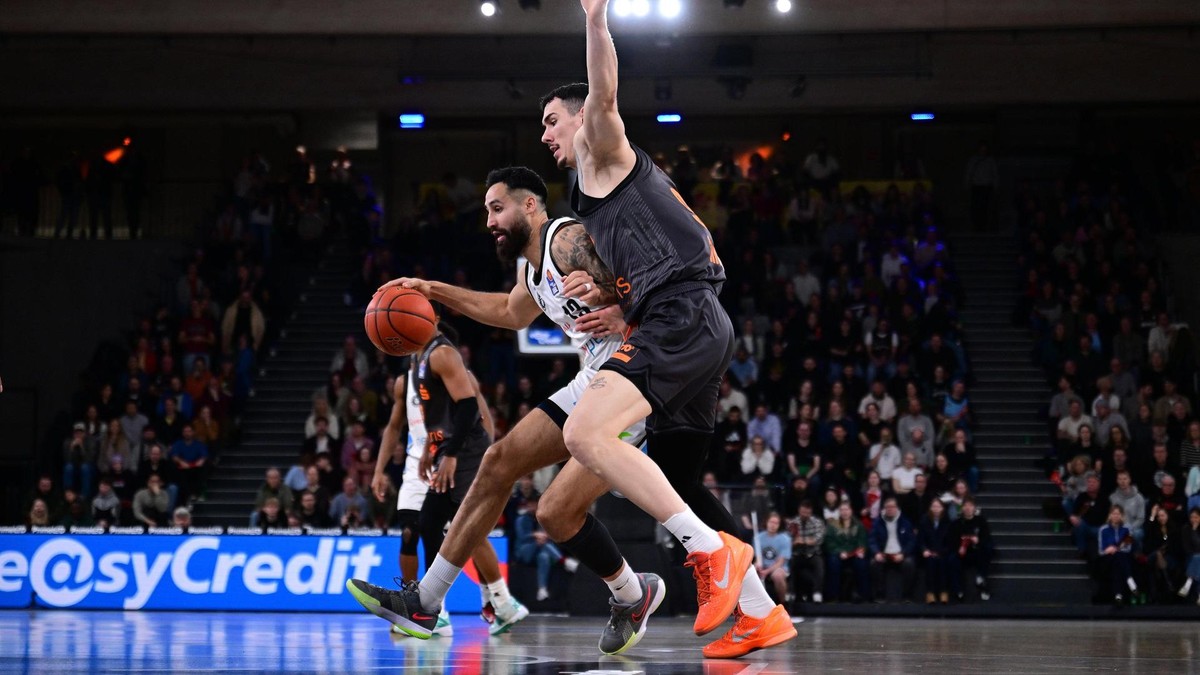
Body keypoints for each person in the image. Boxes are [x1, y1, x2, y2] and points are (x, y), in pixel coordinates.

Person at [354, 162, 787, 657]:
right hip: (595, 377)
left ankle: (428, 601)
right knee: (540, 499)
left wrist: (620, 307)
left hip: (632, 377)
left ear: (530, 205)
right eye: (487, 212)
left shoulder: (566, 240)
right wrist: (434, 291)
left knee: (646, 489)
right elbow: (509, 312)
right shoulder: (531, 268)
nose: (490, 221)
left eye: (498, 208)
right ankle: (631, 595)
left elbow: (644, 275)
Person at [349, 322, 528, 638]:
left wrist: (473, 459)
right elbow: (398, 426)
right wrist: (388, 466)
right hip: (425, 461)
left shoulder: (455, 372)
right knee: (417, 530)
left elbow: (479, 419)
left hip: (458, 456)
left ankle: (480, 603)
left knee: (466, 530)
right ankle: (431, 607)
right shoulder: (408, 379)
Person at [869, 497, 917, 602]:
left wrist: (903, 554)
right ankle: (879, 595)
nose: (890, 509)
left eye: (892, 507)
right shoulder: (877, 522)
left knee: (909, 564)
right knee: (874, 563)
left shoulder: (905, 522)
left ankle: (907, 596)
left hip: (900, 554)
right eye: (888, 507)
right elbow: (872, 540)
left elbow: (911, 541)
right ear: (884, 509)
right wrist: (877, 552)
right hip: (884, 553)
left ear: (897, 508)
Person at [824, 501, 870, 602]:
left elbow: (862, 541)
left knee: (861, 563)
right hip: (838, 554)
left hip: (854, 554)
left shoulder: (858, 525)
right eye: (842, 510)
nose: (844, 512)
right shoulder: (832, 526)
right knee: (833, 562)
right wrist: (839, 551)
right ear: (839, 512)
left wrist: (861, 550)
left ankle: (863, 596)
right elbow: (829, 543)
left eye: (846, 509)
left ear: (851, 511)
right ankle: (833, 596)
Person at [948, 497, 993, 601]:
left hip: (976, 551)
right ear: (962, 508)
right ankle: (958, 590)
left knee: (987, 550)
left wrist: (978, 541)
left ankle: (981, 580)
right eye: (965, 506)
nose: (968, 508)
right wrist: (958, 548)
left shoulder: (981, 521)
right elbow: (952, 540)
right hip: (961, 553)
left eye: (970, 505)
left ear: (974, 508)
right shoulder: (956, 523)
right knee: (952, 559)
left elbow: (986, 538)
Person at [1097, 505, 1138, 606]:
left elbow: (1128, 547)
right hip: (1107, 558)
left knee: (1118, 561)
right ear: (1110, 515)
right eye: (1114, 514)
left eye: (1118, 514)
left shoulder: (1127, 528)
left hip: (1123, 557)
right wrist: (1109, 550)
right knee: (1116, 559)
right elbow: (1101, 550)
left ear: (1122, 516)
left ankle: (1118, 595)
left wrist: (1115, 548)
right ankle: (1130, 580)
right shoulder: (1103, 529)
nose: (1116, 516)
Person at [787, 503, 824, 605]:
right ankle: (791, 592)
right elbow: (788, 540)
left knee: (819, 565)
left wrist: (802, 541)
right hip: (797, 553)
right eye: (803, 512)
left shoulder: (817, 522)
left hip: (813, 553)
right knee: (790, 565)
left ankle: (817, 593)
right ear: (799, 510)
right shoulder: (793, 523)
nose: (805, 514)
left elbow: (818, 540)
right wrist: (797, 541)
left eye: (807, 512)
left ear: (811, 512)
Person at [918, 499, 952, 604]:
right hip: (928, 552)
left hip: (943, 552)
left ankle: (943, 592)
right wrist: (924, 550)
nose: (936, 509)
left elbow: (950, 542)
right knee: (930, 562)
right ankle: (930, 592)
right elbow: (920, 540)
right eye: (934, 507)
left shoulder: (947, 522)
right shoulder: (924, 520)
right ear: (930, 508)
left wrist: (940, 552)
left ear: (942, 509)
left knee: (943, 561)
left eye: (938, 507)